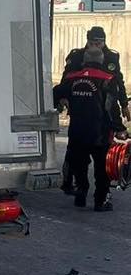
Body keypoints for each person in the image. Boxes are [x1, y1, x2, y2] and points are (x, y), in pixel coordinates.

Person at [53, 40, 127, 211]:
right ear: (101, 61)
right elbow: (111, 108)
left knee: (79, 164)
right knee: (102, 169)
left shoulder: (72, 79)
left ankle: (81, 192)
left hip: (77, 131)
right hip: (100, 133)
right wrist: (120, 128)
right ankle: (100, 202)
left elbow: (55, 93)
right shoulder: (108, 79)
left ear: (84, 61)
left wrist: (62, 101)